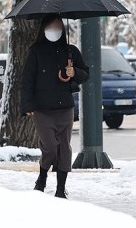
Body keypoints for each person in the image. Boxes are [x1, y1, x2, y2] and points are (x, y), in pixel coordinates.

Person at [20, 13, 89, 198]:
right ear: (43, 29)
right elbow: (27, 80)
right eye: (51, 28)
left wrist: (74, 72)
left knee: (64, 148)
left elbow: (85, 75)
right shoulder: (35, 51)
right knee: (50, 146)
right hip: (43, 109)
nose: (54, 31)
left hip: (65, 108)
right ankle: (42, 175)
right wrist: (27, 105)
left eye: (58, 28)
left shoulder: (71, 51)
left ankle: (60, 188)